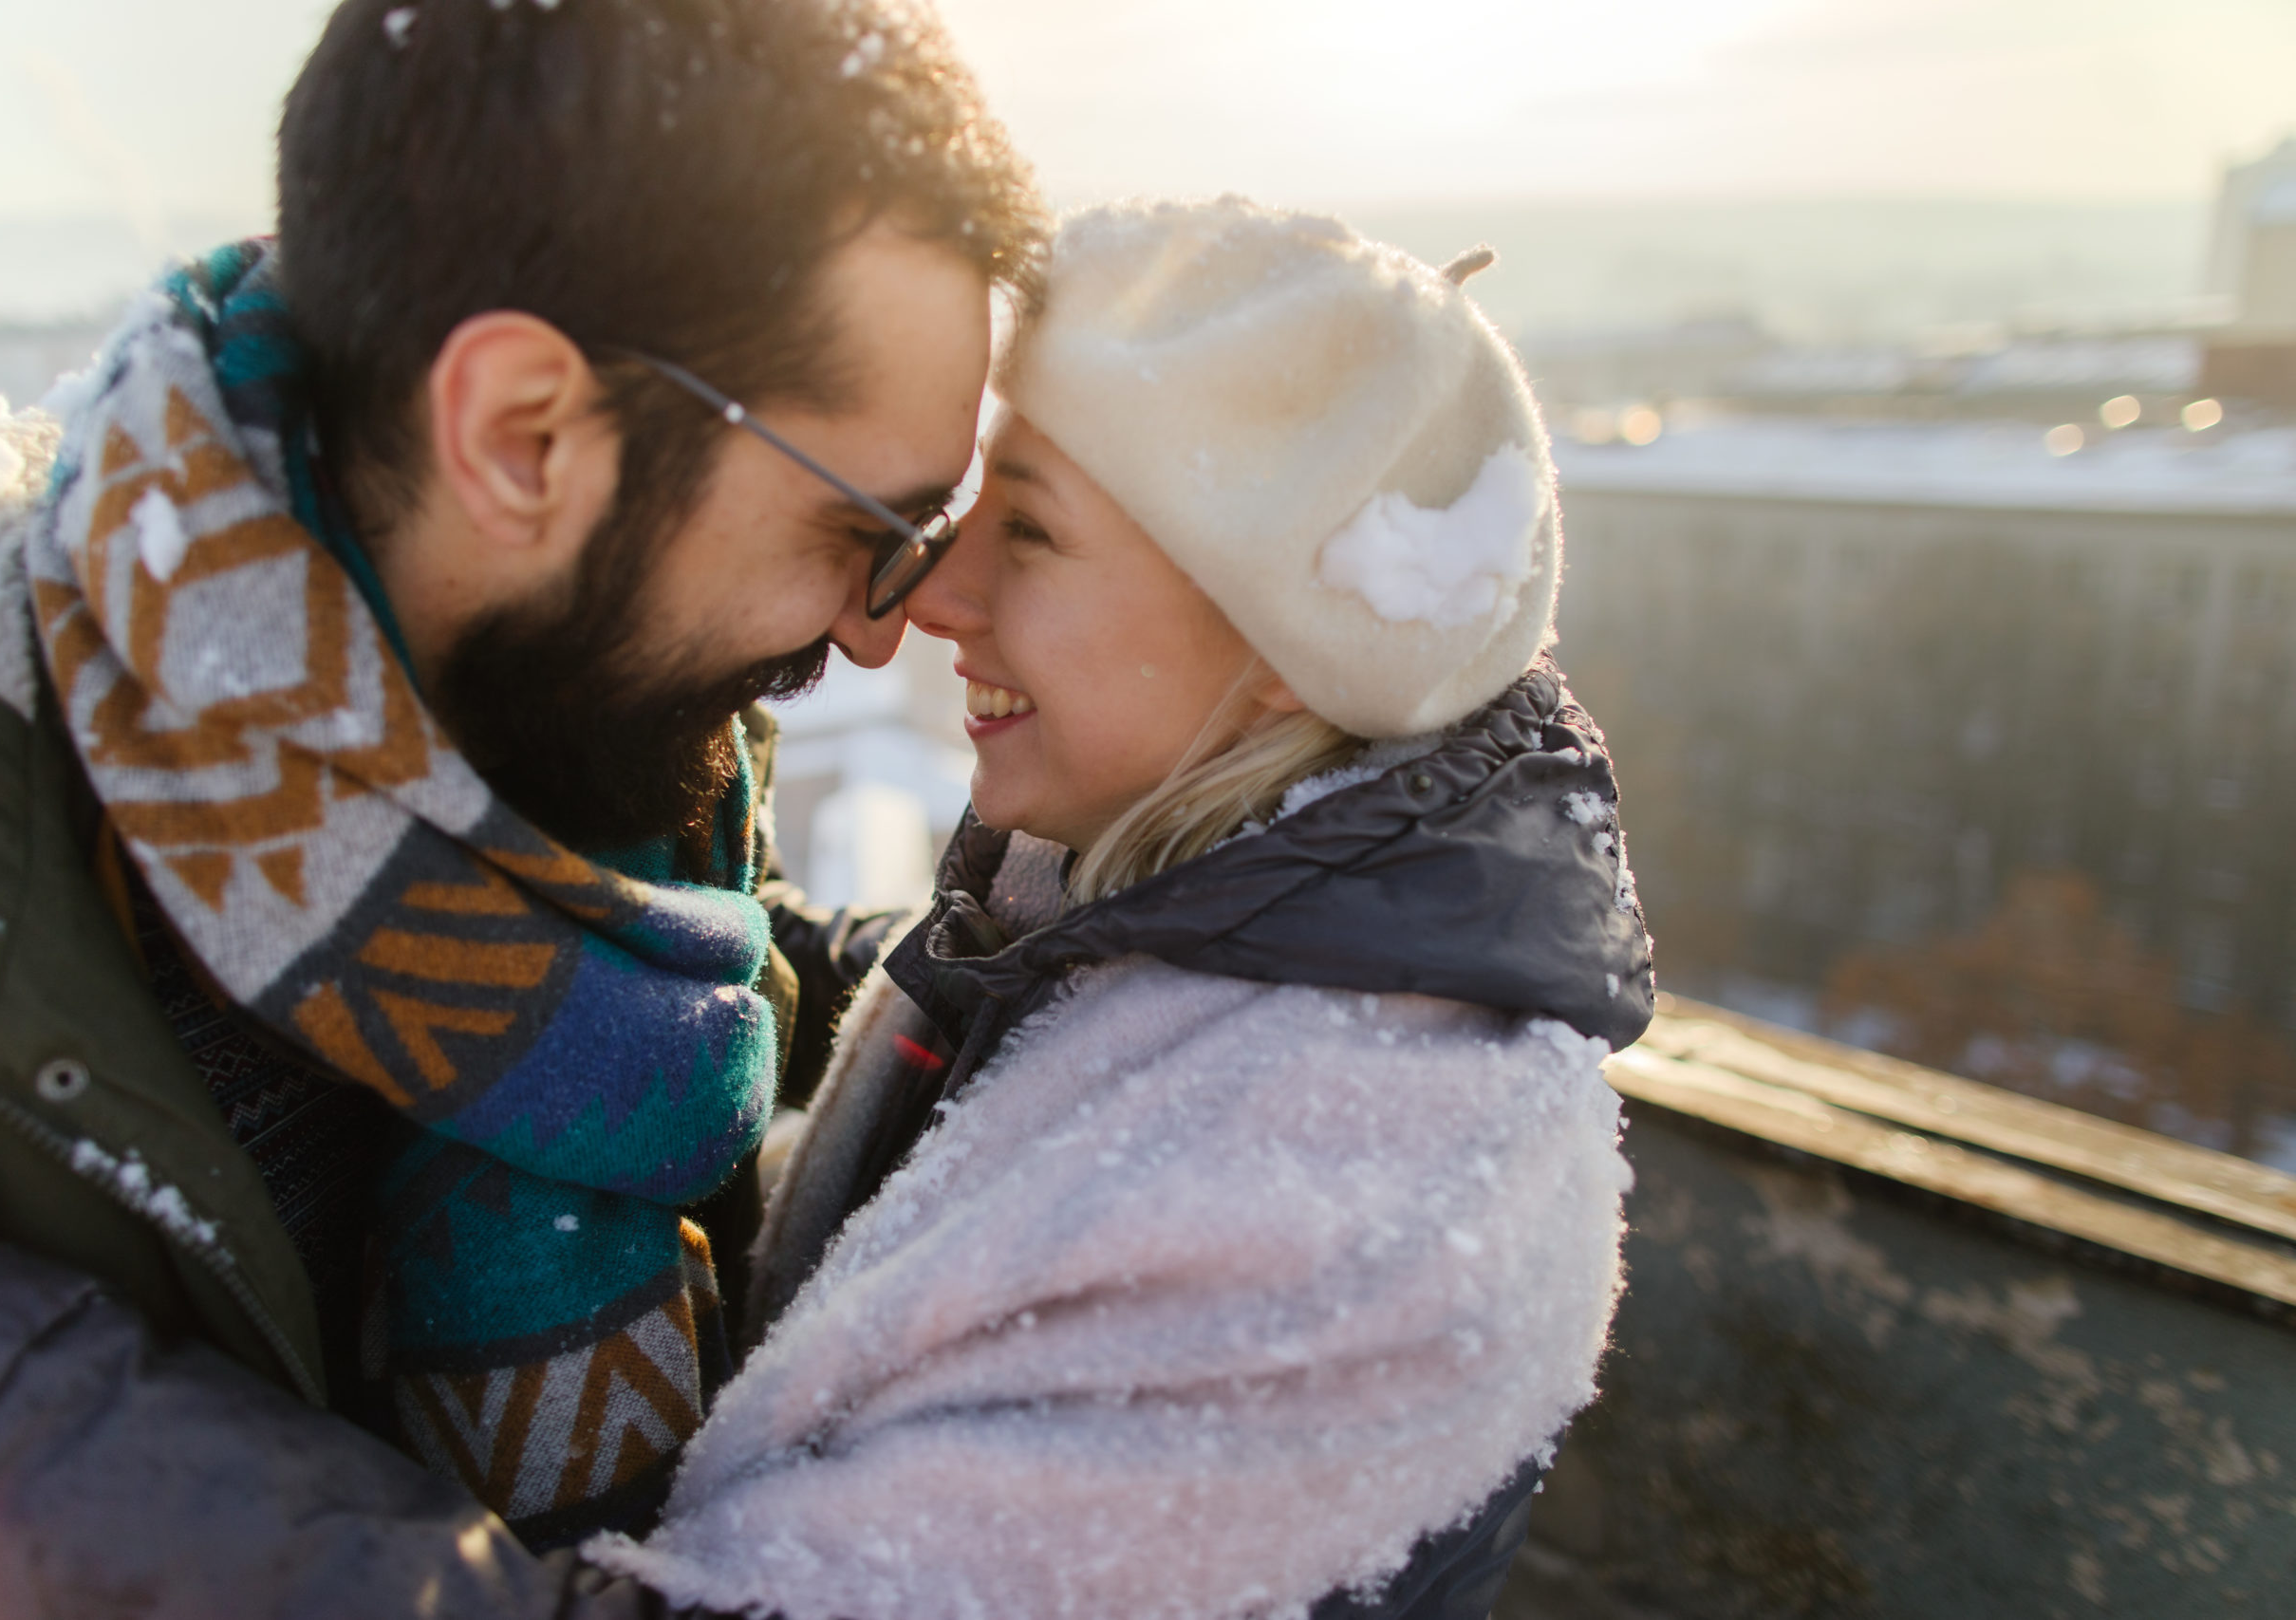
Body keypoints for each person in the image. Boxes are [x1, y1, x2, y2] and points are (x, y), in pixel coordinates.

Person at [0, 0, 1044, 1611]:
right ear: (519, 433)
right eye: (866, 531)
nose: (875, 626)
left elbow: (723, 966)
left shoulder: (576, 712)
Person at [591, 197, 1655, 1619]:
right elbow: (989, 1056)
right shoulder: (1159, 893)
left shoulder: (1366, 1203)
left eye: (1026, 527)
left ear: (1286, 640)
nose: (932, 593)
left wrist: (193, 1479)